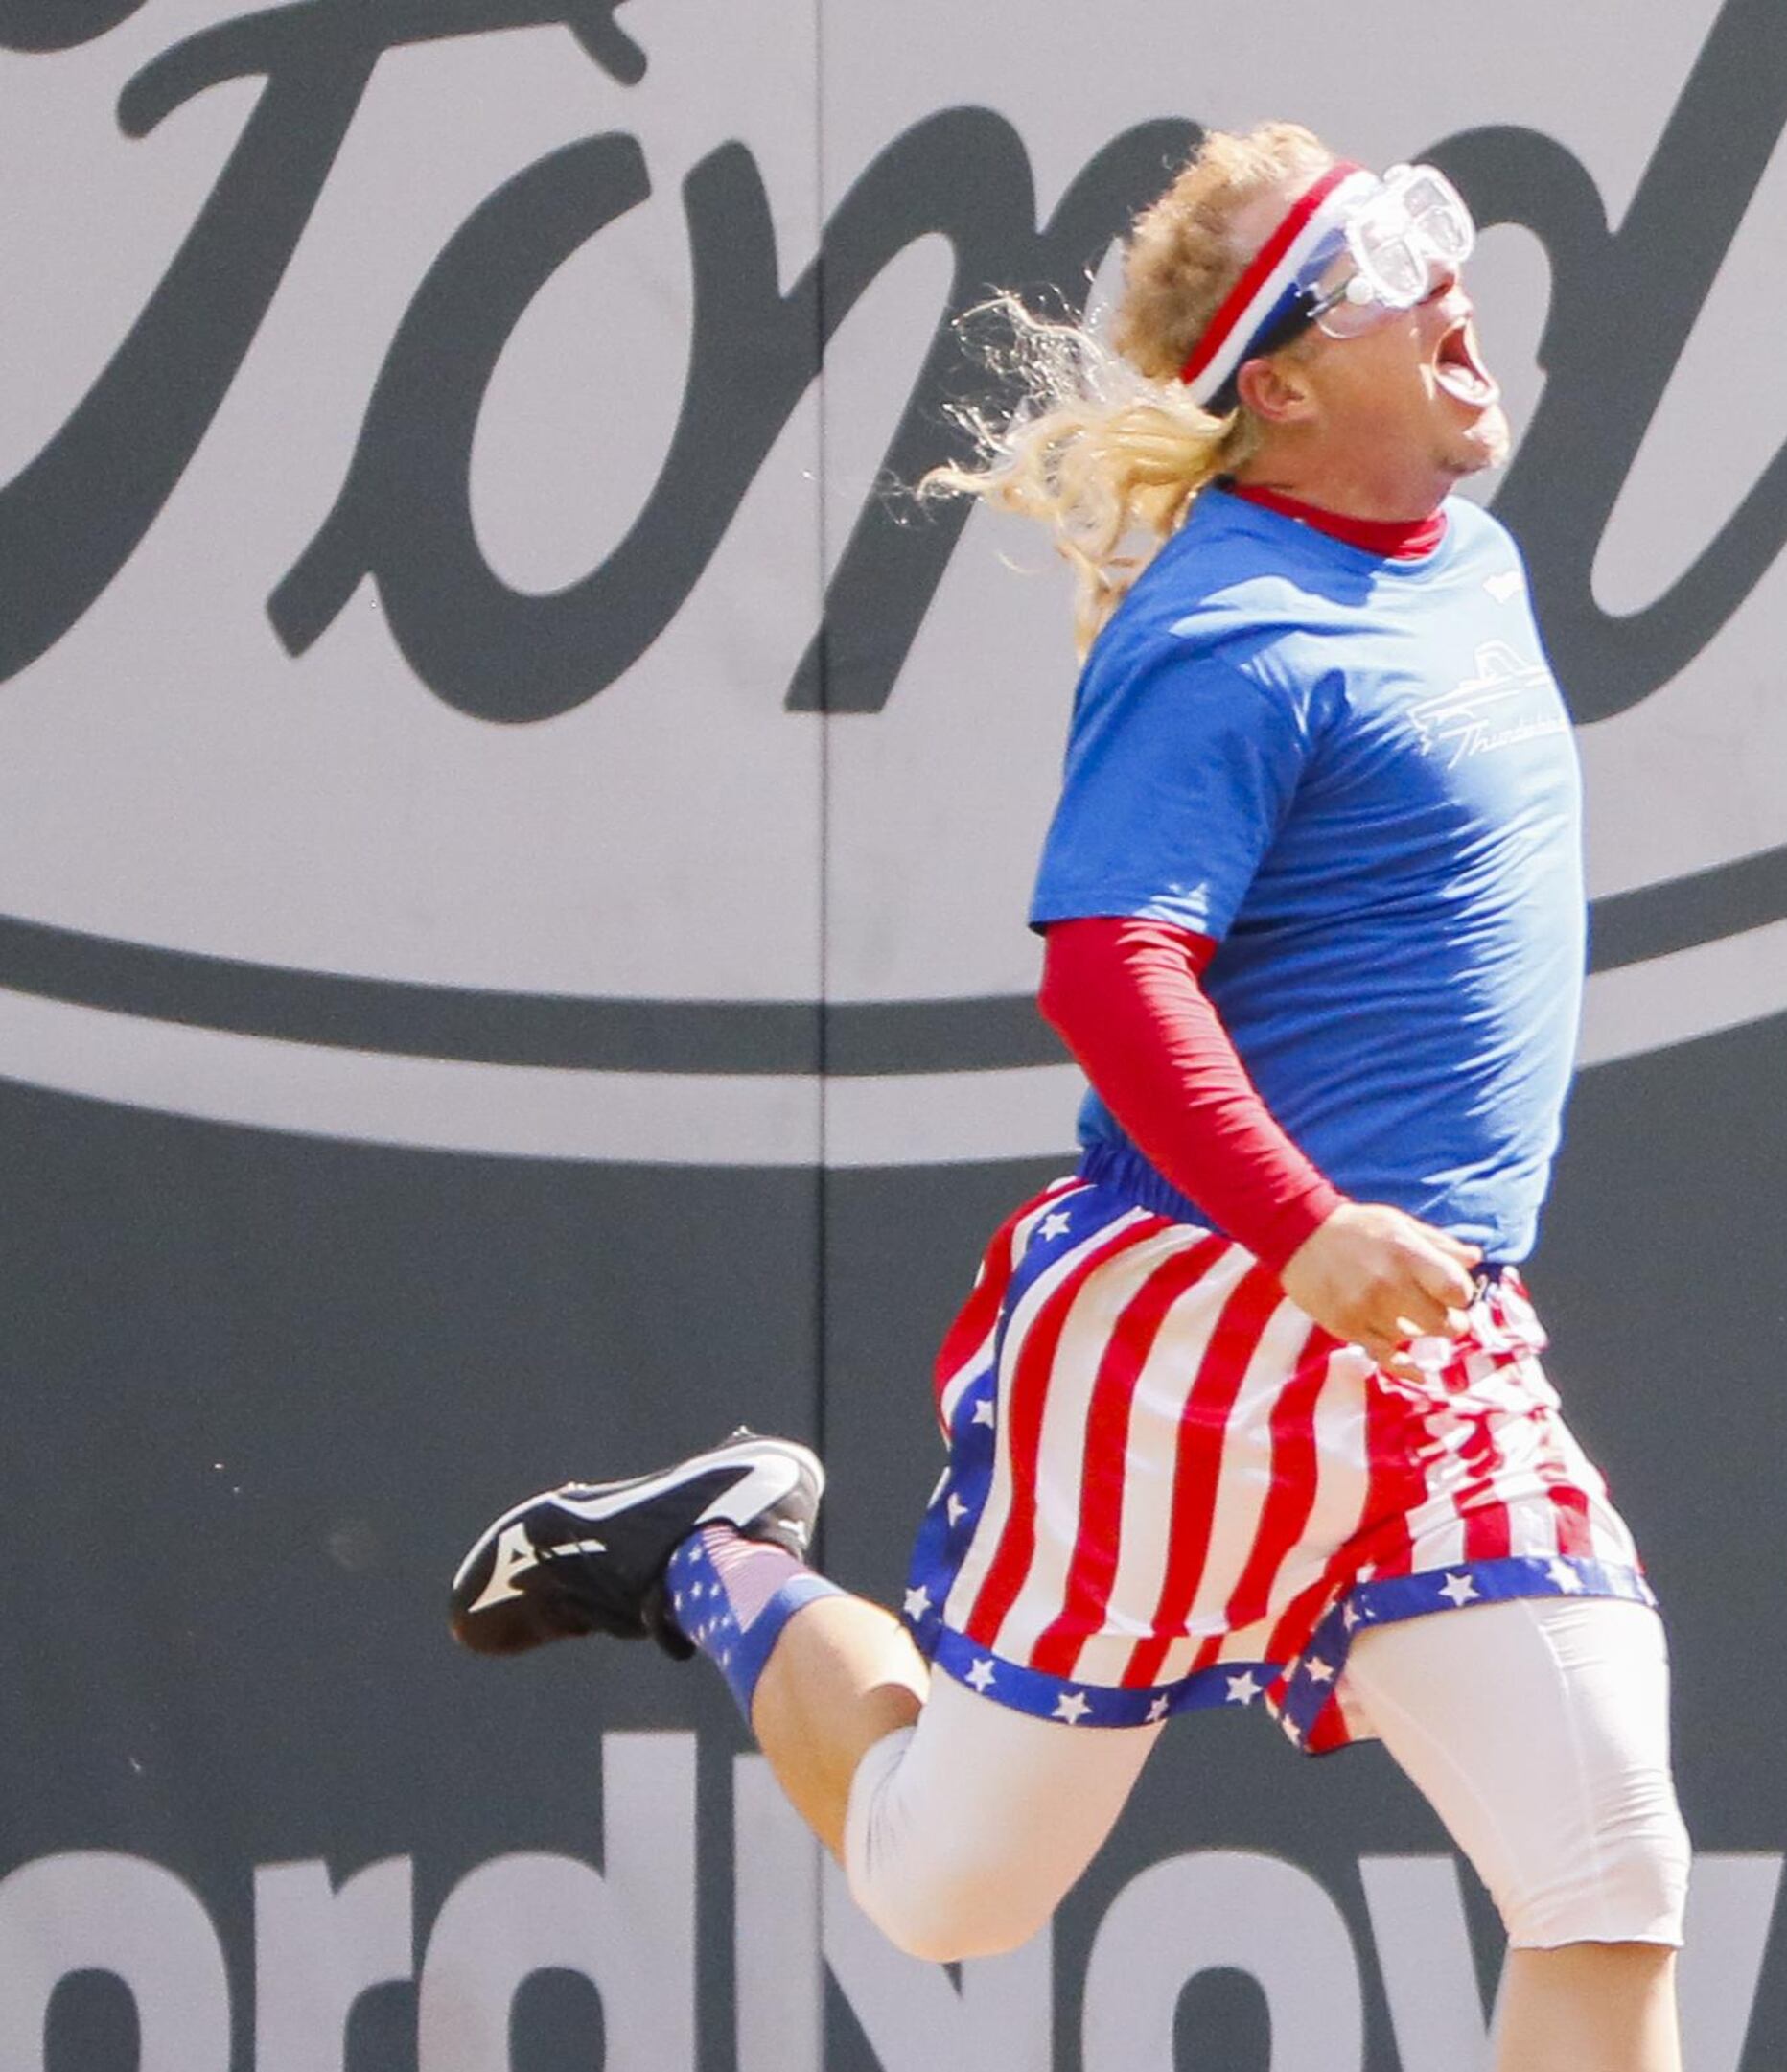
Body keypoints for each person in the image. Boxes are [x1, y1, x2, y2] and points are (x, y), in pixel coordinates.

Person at [444, 124, 1688, 2072]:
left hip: (1431, 1331)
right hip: (1201, 1321)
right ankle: (719, 1558)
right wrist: (1304, 1224)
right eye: (1388, 278)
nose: (1457, 289)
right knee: (950, 1888)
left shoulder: (1475, 564)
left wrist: (1359, 1249)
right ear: (1276, 384)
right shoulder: (1230, 631)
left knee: (1610, 1866)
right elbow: (1109, 968)